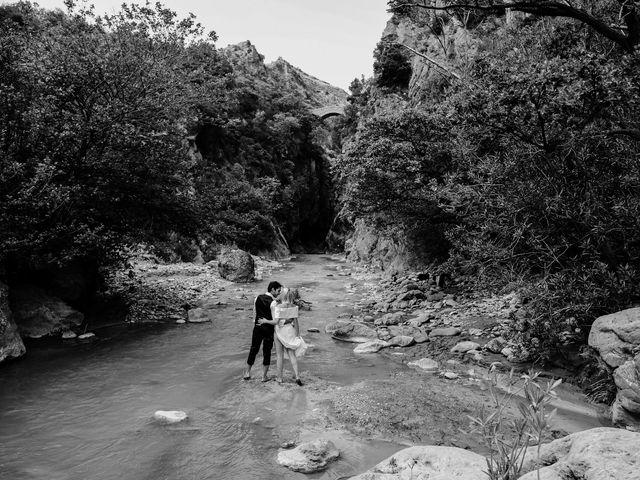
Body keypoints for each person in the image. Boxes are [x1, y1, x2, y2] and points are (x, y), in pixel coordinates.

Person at [243, 281, 282, 382]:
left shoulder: (257, 298)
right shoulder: (273, 303)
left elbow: (254, 314)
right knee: (267, 352)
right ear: (272, 289)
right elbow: (275, 321)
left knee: (253, 349)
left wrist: (255, 325)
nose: (279, 293)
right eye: (278, 291)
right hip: (268, 329)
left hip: (257, 327)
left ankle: (247, 372)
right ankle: (264, 377)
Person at [272, 288, 307, 385]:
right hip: (290, 331)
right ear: (291, 296)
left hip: (280, 331)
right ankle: (297, 376)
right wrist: (298, 335)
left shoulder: (279, 306)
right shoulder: (294, 307)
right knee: (292, 354)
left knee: (279, 355)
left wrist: (265, 321)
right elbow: (296, 322)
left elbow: (277, 322)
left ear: (282, 295)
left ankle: (279, 378)